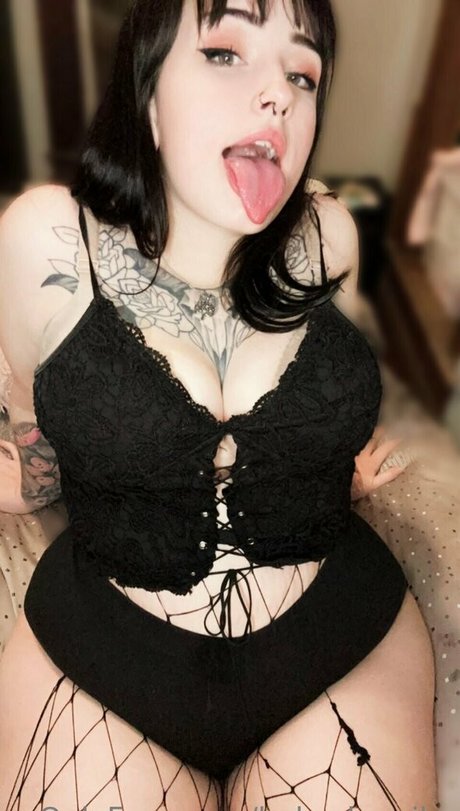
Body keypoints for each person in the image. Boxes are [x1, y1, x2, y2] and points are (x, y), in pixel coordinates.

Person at [0, 0, 437, 809]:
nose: (279, 95)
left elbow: (323, 419)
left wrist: (333, 475)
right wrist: (26, 483)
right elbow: (40, 440)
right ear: (147, 91)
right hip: (106, 656)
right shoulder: (47, 241)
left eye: (303, 73)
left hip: (336, 637)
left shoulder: (328, 235)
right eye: (226, 52)